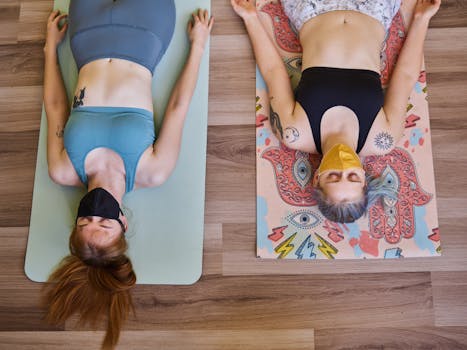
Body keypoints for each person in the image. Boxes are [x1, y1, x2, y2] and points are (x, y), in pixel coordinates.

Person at [42, 1, 213, 349]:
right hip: (145, 35)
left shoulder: (63, 170)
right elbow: (179, 105)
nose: (96, 211)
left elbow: (56, 106)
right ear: (124, 223)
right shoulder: (152, 171)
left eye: (84, 220)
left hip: (87, 38)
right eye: (104, 223)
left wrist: (49, 48)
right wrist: (198, 45)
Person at [231, 0, 440, 222]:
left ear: (316, 179)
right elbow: (406, 76)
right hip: (375, 10)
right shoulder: (383, 138)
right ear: (364, 179)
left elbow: (273, 71)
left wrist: (250, 18)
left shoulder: (295, 133)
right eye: (352, 176)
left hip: (311, 8)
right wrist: (422, 19)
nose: (343, 166)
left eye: (333, 176)